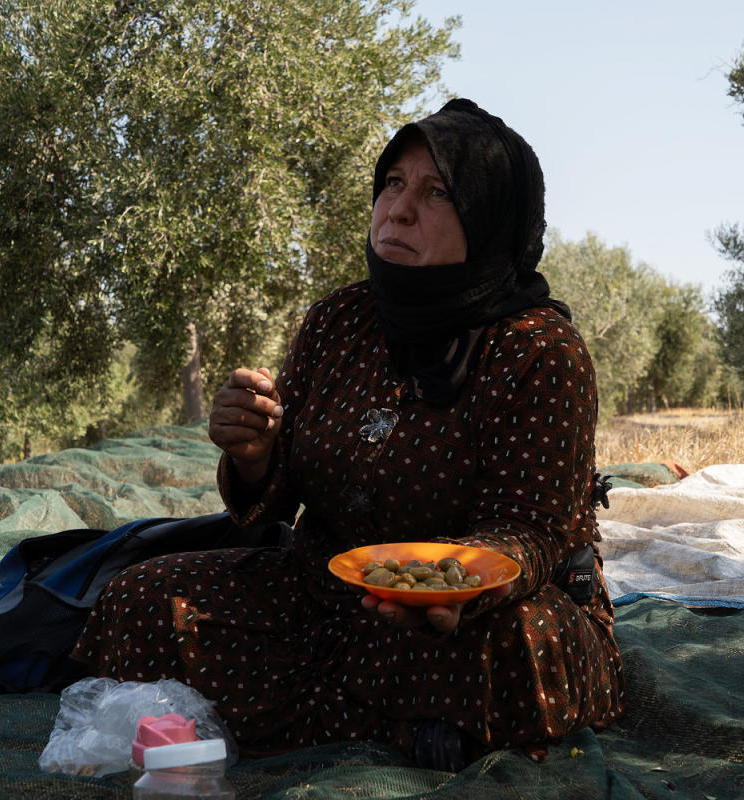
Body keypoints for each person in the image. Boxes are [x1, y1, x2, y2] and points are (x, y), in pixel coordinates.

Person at [73, 98, 625, 770]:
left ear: (488, 221)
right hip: (321, 592)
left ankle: (380, 720)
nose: (398, 209)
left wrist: (447, 586)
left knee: (519, 646)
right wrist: (253, 455)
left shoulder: (540, 352)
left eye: (436, 192)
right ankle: (411, 727)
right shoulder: (341, 321)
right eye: (392, 184)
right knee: (141, 600)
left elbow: (535, 530)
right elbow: (274, 503)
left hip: (471, 615)